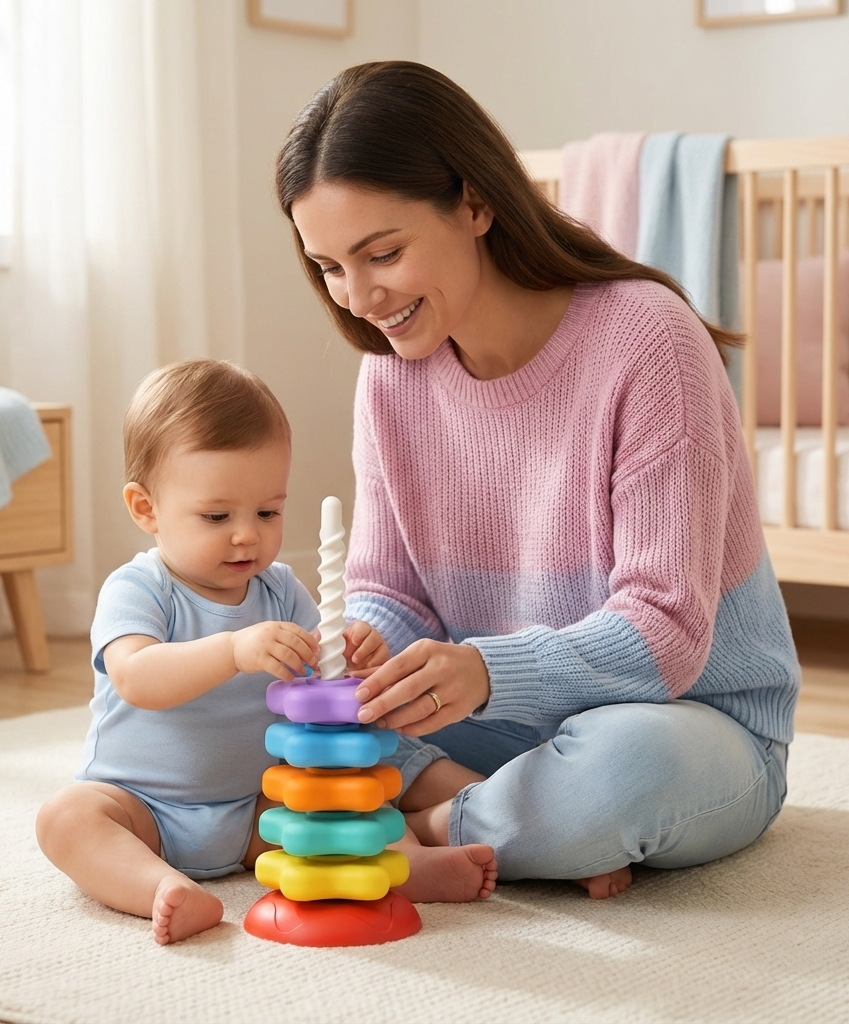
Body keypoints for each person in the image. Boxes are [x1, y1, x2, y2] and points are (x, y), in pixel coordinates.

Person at [276, 61, 799, 900]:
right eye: (331, 267)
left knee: (623, 773)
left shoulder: (646, 342)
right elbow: (390, 590)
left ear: (476, 203)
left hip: (689, 725)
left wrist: (483, 673)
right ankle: (515, 824)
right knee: (288, 711)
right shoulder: (390, 377)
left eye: (383, 253)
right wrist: (362, 648)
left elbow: (666, 631)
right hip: (491, 730)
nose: (360, 297)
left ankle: (424, 828)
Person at [36, 358, 497, 945]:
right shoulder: (140, 588)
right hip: (142, 809)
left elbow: (321, 673)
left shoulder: (279, 588)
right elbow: (136, 677)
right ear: (145, 508)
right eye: (217, 516)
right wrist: (233, 649)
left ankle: (400, 869)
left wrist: (353, 652)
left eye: (268, 512)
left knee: (342, 799)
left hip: (258, 810)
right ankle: (160, 888)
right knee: (66, 818)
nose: (247, 534)